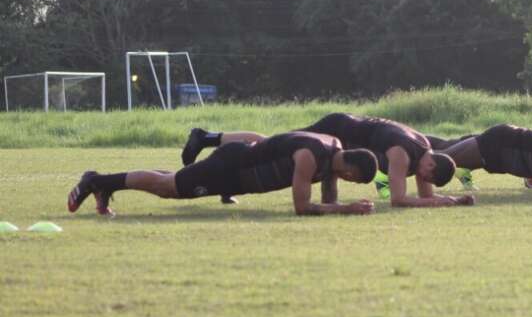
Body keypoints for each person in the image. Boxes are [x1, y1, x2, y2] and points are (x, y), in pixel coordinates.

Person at [182, 114, 473, 208]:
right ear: (430, 163)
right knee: (270, 145)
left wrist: (450, 200)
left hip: (349, 134)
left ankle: (223, 173)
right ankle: (208, 137)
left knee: (269, 145)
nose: (425, 181)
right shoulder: (402, 154)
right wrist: (441, 201)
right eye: (429, 176)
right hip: (338, 129)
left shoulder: (425, 155)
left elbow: (426, 196)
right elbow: (399, 200)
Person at [67, 131, 378, 217]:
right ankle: (96, 180)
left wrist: (340, 209)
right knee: (169, 187)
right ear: (349, 167)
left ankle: (106, 186)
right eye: (353, 177)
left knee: (172, 180)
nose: (347, 181)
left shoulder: (334, 149)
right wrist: (347, 209)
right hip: (230, 168)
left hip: (239, 168)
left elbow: (328, 196)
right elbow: (302, 208)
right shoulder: (312, 157)